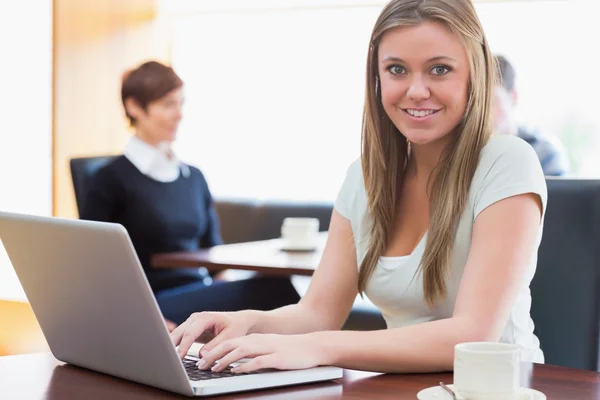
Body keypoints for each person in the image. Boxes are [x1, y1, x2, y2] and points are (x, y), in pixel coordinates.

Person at [171, 0, 547, 373]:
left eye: (439, 69)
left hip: (497, 388)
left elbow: (472, 336)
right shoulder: (365, 178)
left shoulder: (506, 161)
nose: (416, 90)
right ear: (377, 78)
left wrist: (318, 347)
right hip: (403, 388)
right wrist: (248, 323)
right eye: (397, 69)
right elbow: (318, 312)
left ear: (473, 75)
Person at [81, 61, 300, 325]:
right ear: (134, 107)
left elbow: (213, 259)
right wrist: (152, 321)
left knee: (273, 287)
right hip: (151, 306)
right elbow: (95, 268)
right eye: (168, 104)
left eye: (181, 104)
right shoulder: (110, 179)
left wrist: (230, 308)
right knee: (274, 291)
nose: (179, 114)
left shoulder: (194, 178)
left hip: (195, 292)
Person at [493, 54, 570, 176]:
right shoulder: (467, 153)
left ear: (513, 97)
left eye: (492, 101)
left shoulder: (544, 152)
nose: (484, 113)